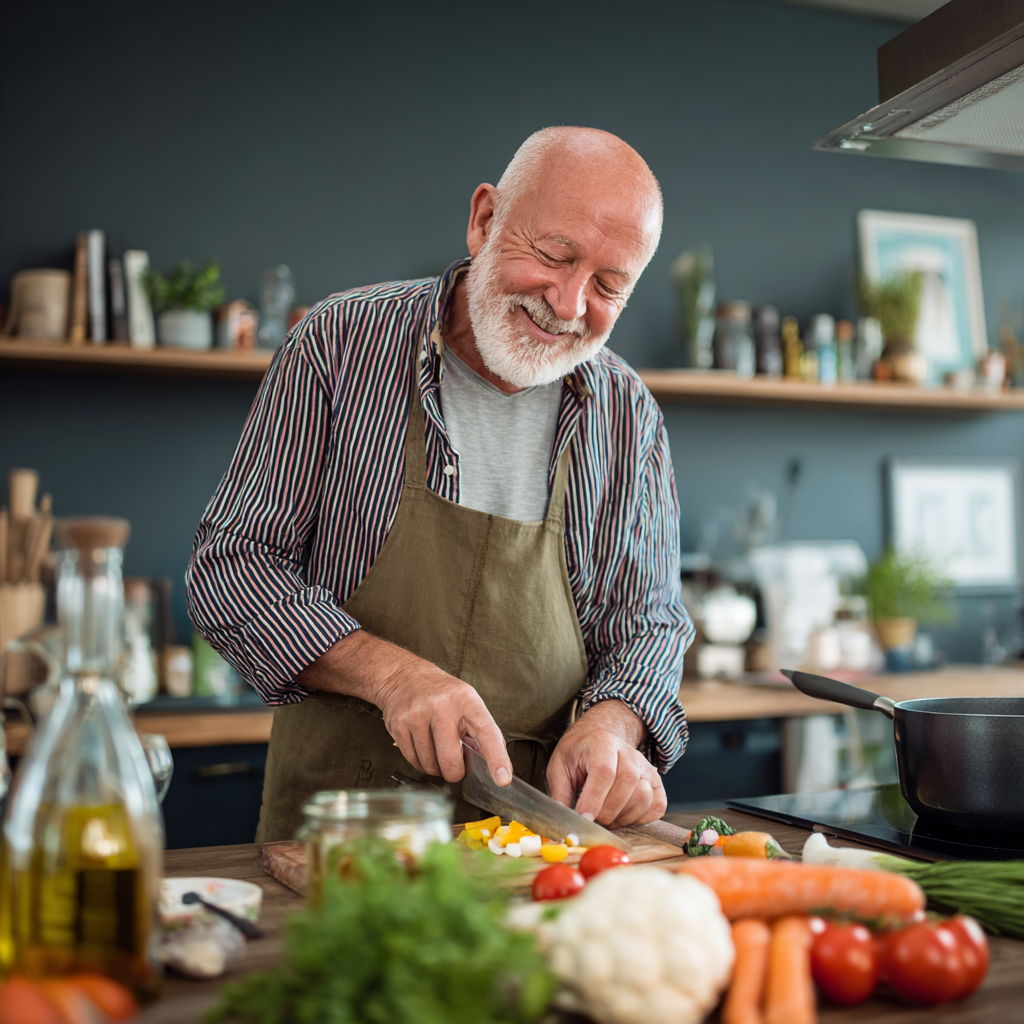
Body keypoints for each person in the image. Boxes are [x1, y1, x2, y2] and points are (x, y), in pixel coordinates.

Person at [187, 126, 693, 841]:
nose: (572, 304)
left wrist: (614, 726)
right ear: (485, 220)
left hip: (538, 849)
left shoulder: (625, 411)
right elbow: (230, 570)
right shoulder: (338, 346)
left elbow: (650, 625)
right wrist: (395, 678)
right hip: (344, 838)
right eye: (555, 256)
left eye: (610, 286)